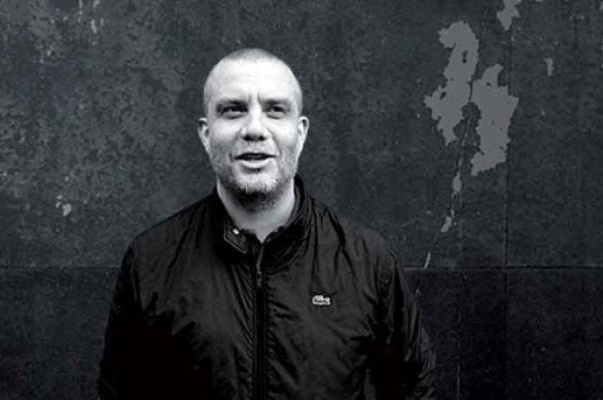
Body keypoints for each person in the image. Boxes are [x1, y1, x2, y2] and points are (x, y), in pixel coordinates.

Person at [97, 48, 436, 400]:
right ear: (206, 134)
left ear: (300, 133)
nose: (255, 129)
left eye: (275, 110)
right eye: (233, 110)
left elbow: (416, 389)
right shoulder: (151, 260)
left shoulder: (368, 262)